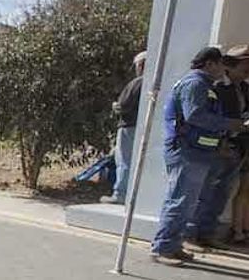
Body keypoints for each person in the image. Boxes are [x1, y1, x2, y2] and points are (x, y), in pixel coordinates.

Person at [150, 47, 248, 265]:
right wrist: (232, 125)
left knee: (187, 201)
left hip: (197, 152)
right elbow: (194, 115)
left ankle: (173, 246)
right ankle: (163, 247)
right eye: (221, 63)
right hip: (186, 151)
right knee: (180, 200)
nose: (224, 68)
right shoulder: (195, 84)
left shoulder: (205, 86)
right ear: (209, 64)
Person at [187, 44, 249, 247]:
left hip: (237, 148)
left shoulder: (244, 89)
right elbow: (208, 117)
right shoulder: (216, 88)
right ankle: (191, 234)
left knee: (221, 193)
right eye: (245, 67)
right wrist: (222, 140)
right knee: (205, 192)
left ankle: (207, 234)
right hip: (218, 147)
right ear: (230, 65)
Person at [102, 51, 146, 204]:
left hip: (128, 127)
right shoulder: (153, 83)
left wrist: (116, 106)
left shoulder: (137, 83)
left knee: (124, 160)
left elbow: (124, 106)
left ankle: (120, 194)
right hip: (143, 127)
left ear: (141, 65)